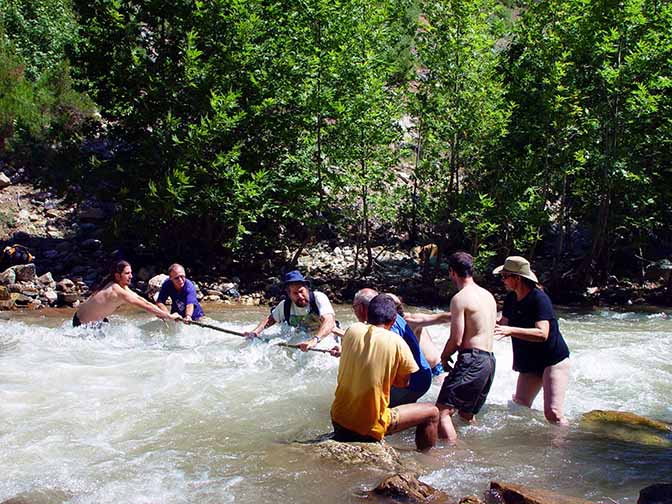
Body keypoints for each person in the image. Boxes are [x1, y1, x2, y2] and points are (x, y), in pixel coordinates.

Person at [330, 294, 439, 451]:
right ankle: (425, 458)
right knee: (432, 412)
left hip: (338, 418)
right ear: (394, 320)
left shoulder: (352, 330)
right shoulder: (397, 342)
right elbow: (403, 383)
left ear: (367, 314)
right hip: (367, 428)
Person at [493, 256, 570, 425]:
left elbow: (543, 333)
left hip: (552, 359)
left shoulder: (539, 298)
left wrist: (511, 330)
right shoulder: (511, 299)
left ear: (517, 278)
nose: (503, 280)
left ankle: (562, 448)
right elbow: (502, 324)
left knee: (553, 413)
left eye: (505, 276)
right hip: (530, 360)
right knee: (519, 406)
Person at [333, 288, 433, 407]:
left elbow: (388, 362)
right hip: (418, 377)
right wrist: (346, 352)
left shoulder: (387, 327)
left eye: (354, 307)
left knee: (375, 407)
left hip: (414, 380)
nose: (354, 311)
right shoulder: (385, 318)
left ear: (361, 308)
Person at [435, 252, 497, 442]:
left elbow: (457, 339)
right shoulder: (488, 296)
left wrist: (443, 357)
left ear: (452, 272)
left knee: (442, 412)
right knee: (466, 414)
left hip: (472, 359)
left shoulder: (460, 298)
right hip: (489, 361)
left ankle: (453, 457)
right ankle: (474, 452)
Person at [244, 270, 335, 352]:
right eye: (295, 293)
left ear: (307, 289)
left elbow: (329, 321)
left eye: (301, 291)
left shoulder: (318, 298)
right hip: (302, 341)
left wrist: (314, 341)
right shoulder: (285, 306)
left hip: (324, 338)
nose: (300, 296)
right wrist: (255, 332)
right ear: (289, 294)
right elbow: (270, 319)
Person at [73, 260, 181, 326]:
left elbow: (140, 299)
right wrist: (168, 316)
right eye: (127, 273)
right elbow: (143, 306)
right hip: (82, 324)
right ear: (117, 275)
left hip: (96, 321)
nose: (131, 276)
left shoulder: (118, 285)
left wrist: (160, 313)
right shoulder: (116, 290)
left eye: (131, 273)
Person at [386, 293, 451, 377]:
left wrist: (466, 314)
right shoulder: (385, 325)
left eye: (399, 306)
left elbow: (443, 318)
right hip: (416, 373)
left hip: (435, 370)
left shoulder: (411, 320)